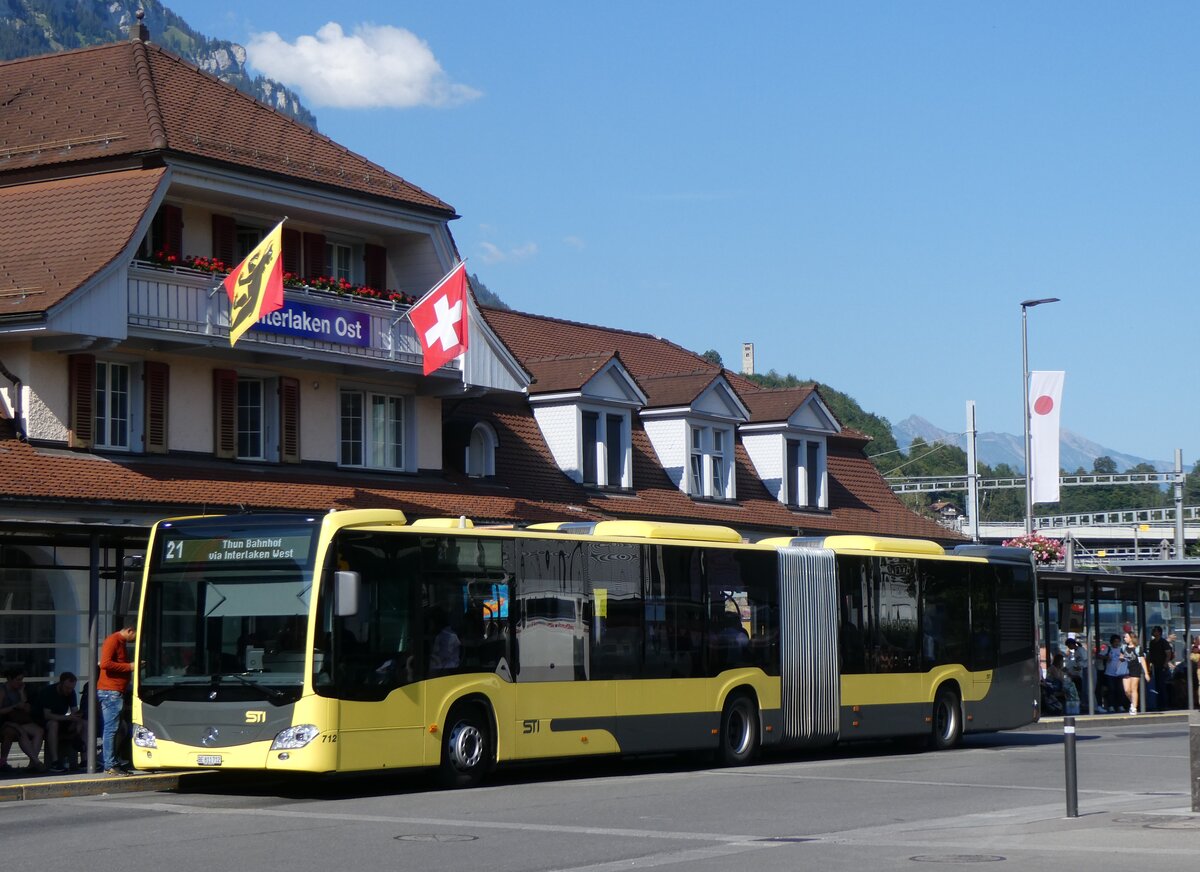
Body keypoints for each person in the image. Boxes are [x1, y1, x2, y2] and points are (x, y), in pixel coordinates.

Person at [98, 623, 136, 775]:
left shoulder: (121, 642)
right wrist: (130, 667)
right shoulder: (113, 640)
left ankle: (112, 760)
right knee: (111, 729)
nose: (136, 639)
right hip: (110, 691)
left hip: (115, 691)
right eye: (135, 634)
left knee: (117, 728)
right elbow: (105, 664)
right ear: (129, 630)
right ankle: (110, 763)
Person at [34, 672, 86, 772]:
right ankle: (55, 761)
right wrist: (69, 718)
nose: (69, 691)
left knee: (82, 723)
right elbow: (47, 715)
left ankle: (82, 755)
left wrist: (77, 719)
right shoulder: (49, 692)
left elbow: (74, 711)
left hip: (62, 719)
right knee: (53, 724)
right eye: (67, 688)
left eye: (71, 688)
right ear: (61, 684)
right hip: (43, 721)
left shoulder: (71, 693)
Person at [0, 669, 46, 773]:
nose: (20, 682)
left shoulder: (21, 689)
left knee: (39, 731)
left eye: (22, 679)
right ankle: (36, 762)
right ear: (10, 679)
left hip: (18, 720)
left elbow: (25, 707)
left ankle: (32, 763)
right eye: (18, 680)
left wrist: (21, 694)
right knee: (20, 732)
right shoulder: (2, 691)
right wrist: (14, 706)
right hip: (5, 721)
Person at [1145, 626, 1173, 711]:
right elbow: (1150, 654)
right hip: (1155, 666)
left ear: (1159, 632)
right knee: (1157, 685)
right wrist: (1148, 663)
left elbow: (1168, 654)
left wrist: (1165, 664)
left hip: (1162, 666)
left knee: (1162, 685)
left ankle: (1164, 704)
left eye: (1155, 631)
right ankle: (1158, 703)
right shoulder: (1152, 642)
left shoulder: (1163, 642)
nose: (1153, 632)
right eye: (1153, 631)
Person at [1121, 631, 1148, 715]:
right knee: (1127, 690)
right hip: (1126, 669)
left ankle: (1134, 707)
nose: (1125, 638)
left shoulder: (1138, 648)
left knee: (1133, 689)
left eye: (1126, 637)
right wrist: (1121, 658)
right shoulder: (1123, 647)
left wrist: (1146, 672)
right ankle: (1133, 702)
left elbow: (1142, 660)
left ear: (1131, 638)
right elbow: (1121, 656)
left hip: (1135, 669)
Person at [1102, 634, 1128, 714]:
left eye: (1118, 642)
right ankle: (1111, 705)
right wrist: (1106, 658)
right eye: (1115, 642)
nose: (1116, 643)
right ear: (1112, 642)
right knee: (1111, 690)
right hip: (1110, 673)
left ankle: (1120, 705)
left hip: (1119, 673)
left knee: (1120, 690)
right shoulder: (1108, 649)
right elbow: (1099, 655)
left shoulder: (1121, 650)